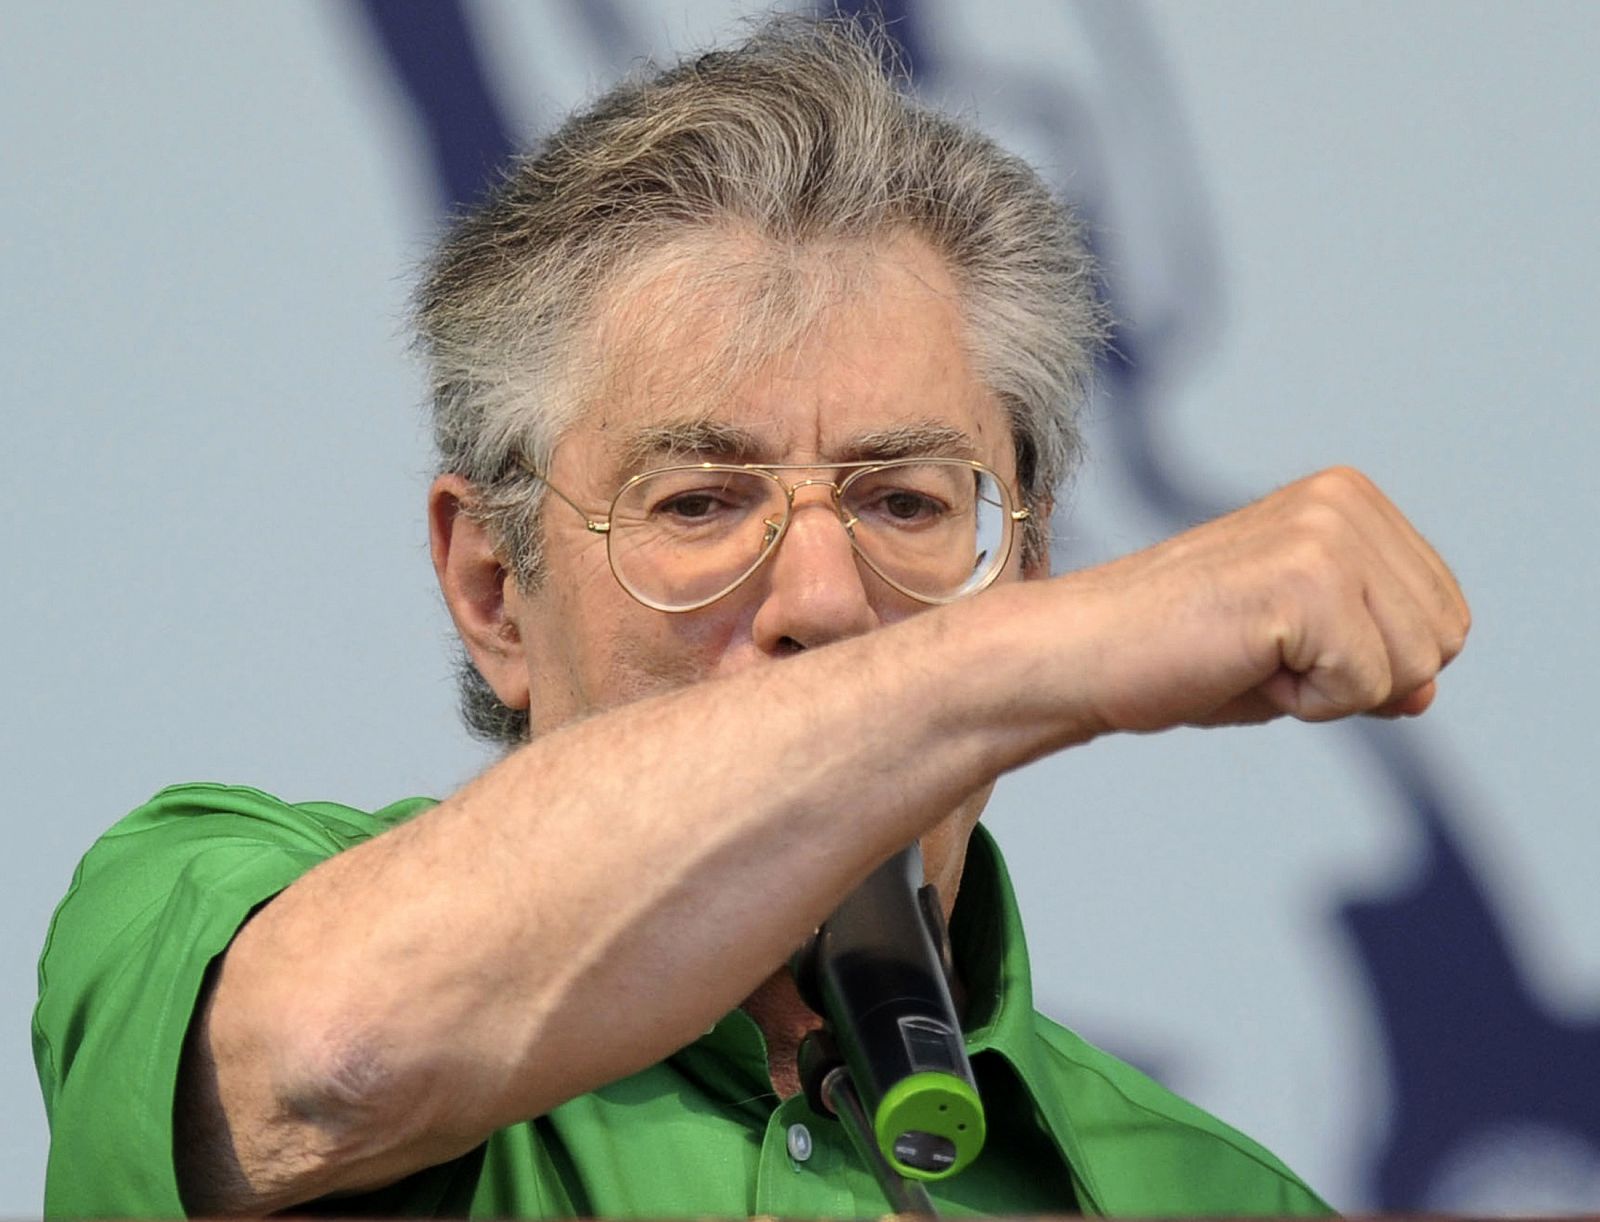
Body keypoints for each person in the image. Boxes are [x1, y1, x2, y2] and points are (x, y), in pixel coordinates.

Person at [34, 17, 1467, 1218]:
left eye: (910, 503)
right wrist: (1035, 660)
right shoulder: (199, 903)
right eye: (702, 501)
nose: (829, 600)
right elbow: (328, 1057)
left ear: (1022, 556)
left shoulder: (1223, 1198)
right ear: (491, 588)